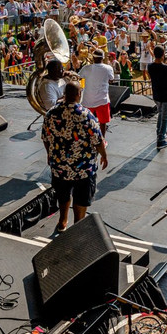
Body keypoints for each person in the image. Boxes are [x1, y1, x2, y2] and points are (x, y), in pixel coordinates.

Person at [41, 81, 108, 234]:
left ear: (64, 94)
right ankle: (77, 227)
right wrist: (104, 156)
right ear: (79, 95)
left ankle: (62, 222)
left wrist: (50, 155)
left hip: (59, 166)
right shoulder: (86, 114)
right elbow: (98, 141)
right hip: (83, 169)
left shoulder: (51, 113)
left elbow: (45, 138)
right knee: (81, 198)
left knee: (63, 195)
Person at [78, 49, 115, 138]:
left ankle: (86, 139)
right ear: (103, 58)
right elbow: (111, 79)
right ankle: (102, 140)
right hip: (103, 100)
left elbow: (78, 77)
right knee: (103, 122)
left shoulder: (86, 68)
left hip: (88, 100)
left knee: (86, 122)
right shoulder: (108, 68)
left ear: (93, 58)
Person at [147, 45, 167, 149]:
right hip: (166, 96)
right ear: (163, 55)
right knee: (165, 117)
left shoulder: (150, 66)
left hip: (156, 95)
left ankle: (159, 132)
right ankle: (161, 140)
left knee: (160, 114)